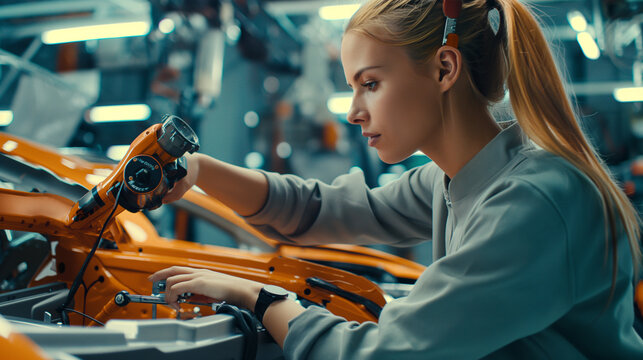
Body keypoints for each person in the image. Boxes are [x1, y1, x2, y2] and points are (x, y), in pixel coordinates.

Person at [149, 0, 643, 357]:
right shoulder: (453, 178)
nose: (353, 113)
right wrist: (200, 170)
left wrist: (259, 297)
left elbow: (385, 354)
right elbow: (319, 211)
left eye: (370, 84)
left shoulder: (533, 200)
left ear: (444, 68)